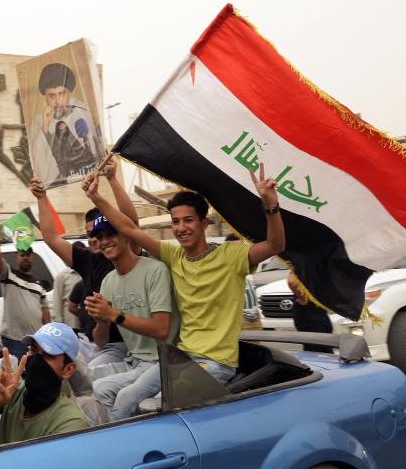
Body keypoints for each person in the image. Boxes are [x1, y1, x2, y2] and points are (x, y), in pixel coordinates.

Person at [83, 162, 286, 398]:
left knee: (160, 404)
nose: (181, 228)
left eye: (188, 220)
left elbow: (275, 245)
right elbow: (129, 228)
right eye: (175, 221)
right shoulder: (173, 255)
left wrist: (271, 205)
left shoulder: (231, 256)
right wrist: (96, 197)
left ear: (204, 223)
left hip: (215, 363)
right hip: (181, 358)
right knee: (126, 397)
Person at [31, 162, 139, 366]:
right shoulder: (88, 260)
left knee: (91, 377)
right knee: (44, 362)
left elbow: (132, 224)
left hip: (118, 346)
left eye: (107, 234)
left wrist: (112, 179)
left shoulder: (129, 256)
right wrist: (42, 197)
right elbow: (51, 238)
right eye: (92, 235)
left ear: (121, 235)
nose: (98, 240)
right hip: (87, 341)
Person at [82, 213, 179, 420]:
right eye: (99, 237)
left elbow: (162, 330)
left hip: (164, 362)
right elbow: (101, 341)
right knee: (79, 380)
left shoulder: (155, 270)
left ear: (126, 236)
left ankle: (116, 446)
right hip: (133, 361)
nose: (105, 241)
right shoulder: (108, 281)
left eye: (111, 234)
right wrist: (101, 322)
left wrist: (114, 315)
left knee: (103, 389)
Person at [0, 322, 88, 444]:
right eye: (33, 350)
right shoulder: (13, 391)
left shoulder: (70, 421)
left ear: (68, 370)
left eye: (48, 355)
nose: (36, 360)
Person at [27, 63, 100, 187]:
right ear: (45, 98)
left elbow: (95, 154)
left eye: (62, 93)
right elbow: (38, 165)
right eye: (52, 95)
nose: (58, 101)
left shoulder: (83, 113)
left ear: (69, 94)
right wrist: (45, 126)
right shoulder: (38, 123)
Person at [0, 224, 50, 358]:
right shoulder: (8, 275)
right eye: (22, 254)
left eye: (28, 254)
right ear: (16, 257)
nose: (25, 257)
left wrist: (47, 339)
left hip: (35, 342)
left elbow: (46, 316)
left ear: (33, 258)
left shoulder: (39, 287)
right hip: (12, 341)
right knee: (14, 377)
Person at [287, 274, 333, 353]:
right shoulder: (307, 263)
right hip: (312, 311)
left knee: (311, 349)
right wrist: (303, 298)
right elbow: (292, 281)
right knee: (322, 350)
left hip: (306, 311)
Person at [52, 266, 82, 331]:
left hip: (88, 324)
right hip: (71, 325)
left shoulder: (90, 273)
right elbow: (57, 302)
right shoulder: (62, 276)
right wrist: (59, 327)